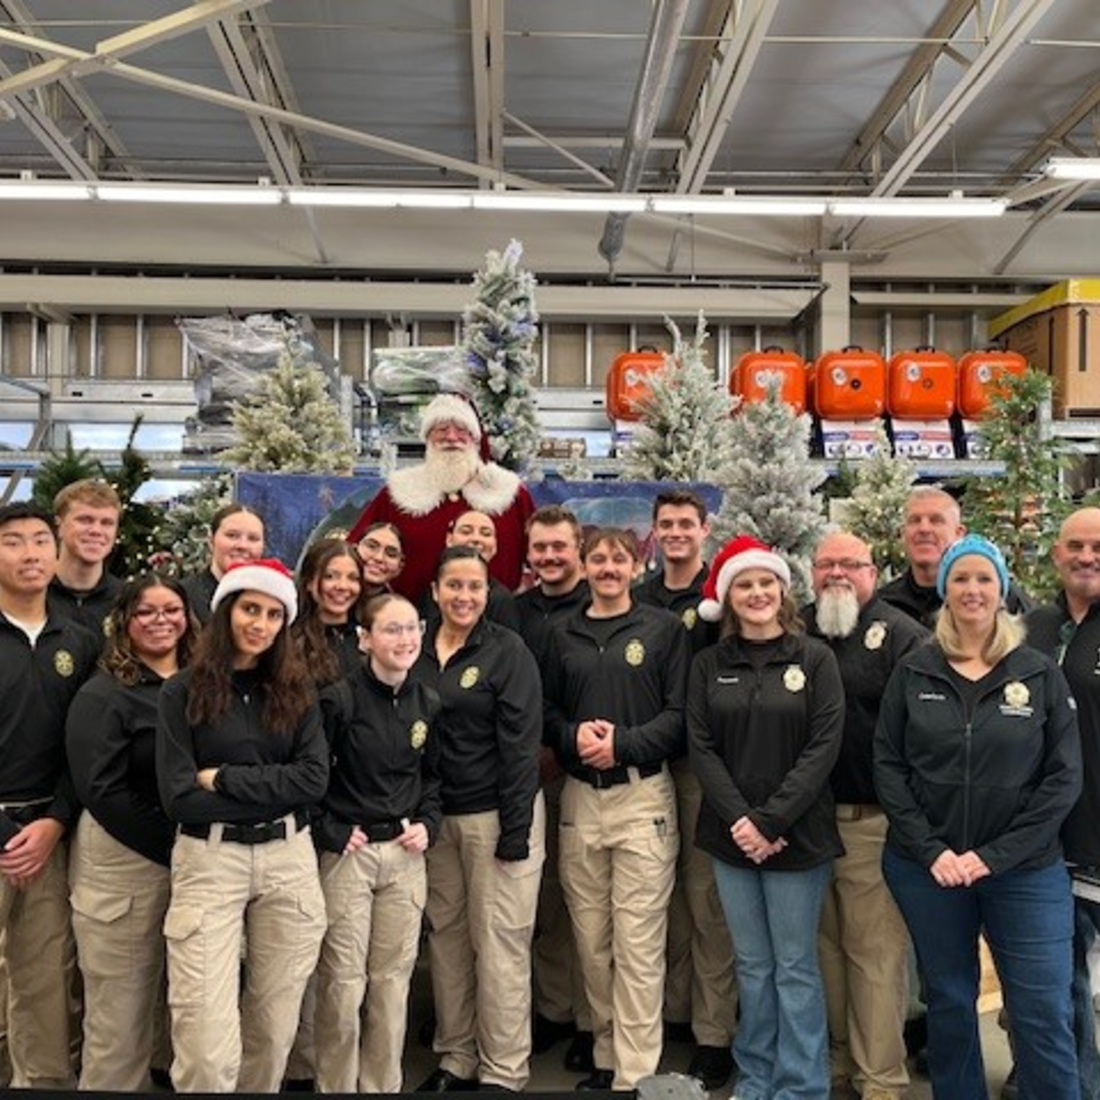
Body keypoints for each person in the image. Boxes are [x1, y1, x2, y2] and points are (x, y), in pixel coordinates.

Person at [875, 534, 1081, 1099]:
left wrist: (993, 857)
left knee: (1041, 1006)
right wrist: (934, 851)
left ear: (1001, 588)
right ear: (945, 590)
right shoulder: (915, 671)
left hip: (1026, 872)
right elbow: (888, 766)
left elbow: (1063, 778)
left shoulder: (1036, 672)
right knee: (947, 1000)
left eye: (983, 578)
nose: (972, 589)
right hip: (929, 871)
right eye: (960, 579)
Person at [156, 558, 329, 1092]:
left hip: (288, 863)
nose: (260, 623)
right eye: (250, 609)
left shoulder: (298, 693)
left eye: (274, 614)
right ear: (227, 610)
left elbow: (313, 781)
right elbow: (180, 798)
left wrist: (224, 778)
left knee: (274, 1032)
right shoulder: (182, 692)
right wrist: (268, 792)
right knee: (206, 1043)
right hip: (211, 862)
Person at [688, 535, 844, 1100]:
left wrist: (771, 822)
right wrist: (743, 822)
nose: (756, 593)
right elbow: (701, 746)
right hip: (732, 840)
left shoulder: (815, 659)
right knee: (752, 965)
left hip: (797, 838)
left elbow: (823, 747)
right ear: (729, 599)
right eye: (744, 585)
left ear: (783, 591)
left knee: (795, 966)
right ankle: (756, 1075)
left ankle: (802, 1084)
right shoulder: (710, 664)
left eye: (765, 582)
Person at [543, 527, 687, 1091]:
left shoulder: (663, 630)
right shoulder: (561, 633)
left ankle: (635, 1071)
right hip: (582, 799)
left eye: (618, 559)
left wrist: (622, 745)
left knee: (639, 941)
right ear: (584, 565)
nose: (607, 567)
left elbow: (678, 716)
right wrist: (573, 736)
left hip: (642, 798)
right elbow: (548, 711)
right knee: (591, 938)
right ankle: (606, 1054)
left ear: (636, 565)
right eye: (597, 558)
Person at [414, 546, 544, 1092]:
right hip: (438, 821)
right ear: (436, 591)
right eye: (454, 586)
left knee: (499, 944)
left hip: (498, 816)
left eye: (475, 586)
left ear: (488, 593)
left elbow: (521, 747)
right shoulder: (416, 648)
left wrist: (515, 832)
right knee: (447, 939)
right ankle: (456, 1056)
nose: (464, 596)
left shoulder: (506, 652)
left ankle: (503, 1069)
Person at [804, 530, 928, 1100]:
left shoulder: (902, 636)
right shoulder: (797, 627)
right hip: (805, 825)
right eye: (825, 563)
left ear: (872, 572)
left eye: (848, 564)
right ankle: (838, 1064)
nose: (836, 573)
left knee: (874, 956)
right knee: (824, 951)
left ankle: (880, 1080)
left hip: (871, 823)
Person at [65, 573, 197, 1090]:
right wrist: (178, 847)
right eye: (146, 612)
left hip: (186, 856)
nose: (161, 621)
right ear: (123, 621)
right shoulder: (105, 693)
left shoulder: (197, 684)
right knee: (119, 1018)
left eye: (171, 610)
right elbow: (102, 791)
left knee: (175, 1011)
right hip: (124, 858)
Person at [312, 593, 442, 1093]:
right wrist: (331, 828)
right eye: (390, 629)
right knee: (344, 984)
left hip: (404, 857)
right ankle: (336, 1086)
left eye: (411, 628)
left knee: (392, 983)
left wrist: (429, 822)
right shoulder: (338, 701)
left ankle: (382, 1085)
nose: (404, 639)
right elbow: (312, 776)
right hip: (351, 856)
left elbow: (433, 778)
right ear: (364, 638)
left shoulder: (426, 701)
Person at [636, 488, 734, 1091]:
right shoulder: (640, 597)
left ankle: (714, 1033)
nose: (675, 533)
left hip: (700, 771)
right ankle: (671, 1014)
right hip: (647, 769)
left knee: (705, 905)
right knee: (657, 904)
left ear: (705, 529)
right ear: (654, 532)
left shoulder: (717, 601)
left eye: (685, 524)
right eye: (665, 524)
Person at [0, 502, 100, 1089]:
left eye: (41, 540)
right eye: (14, 542)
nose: (31, 553)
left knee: (44, 974)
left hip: (48, 832)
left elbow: (84, 748)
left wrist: (57, 820)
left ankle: (40, 1081)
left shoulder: (80, 641)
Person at [515, 506, 594, 1073]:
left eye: (558, 548)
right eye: (539, 548)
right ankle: (551, 1007)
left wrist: (562, 747)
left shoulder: (599, 607)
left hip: (581, 766)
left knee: (583, 904)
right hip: (524, 771)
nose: (548, 557)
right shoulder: (515, 611)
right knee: (540, 897)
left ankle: (591, 1020)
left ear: (578, 550)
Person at [1025, 507, 1100, 1100]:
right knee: (1063, 981)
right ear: (1057, 555)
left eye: (1097, 545)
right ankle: (1073, 1085)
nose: (1086, 555)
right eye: (1074, 544)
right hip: (1054, 840)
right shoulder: (1035, 627)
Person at [347, 393, 535, 603]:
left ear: (475, 438)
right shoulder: (399, 492)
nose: (452, 437)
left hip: (496, 619)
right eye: (442, 429)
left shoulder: (509, 492)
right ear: (427, 438)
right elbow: (353, 550)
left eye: (461, 430)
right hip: (410, 623)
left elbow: (539, 551)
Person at [879, 486, 1030, 628]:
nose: (924, 529)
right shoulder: (886, 604)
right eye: (915, 520)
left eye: (936, 520)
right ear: (902, 534)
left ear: (959, 534)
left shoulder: (1002, 599)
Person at [421, 510, 521, 632]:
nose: (476, 538)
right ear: (449, 540)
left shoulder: (501, 600)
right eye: (466, 531)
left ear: (494, 546)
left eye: (486, 533)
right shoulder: (430, 590)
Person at [49, 478, 123, 638]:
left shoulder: (126, 600)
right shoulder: (31, 595)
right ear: (58, 526)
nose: (96, 530)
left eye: (107, 523)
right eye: (85, 520)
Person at [294, 538, 367, 686]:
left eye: (353, 578)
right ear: (309, 582)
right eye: (330, 576)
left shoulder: (371, 637)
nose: (342, 586)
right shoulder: (290, 643)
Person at [181, 502, 265, 624]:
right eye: (232, 536)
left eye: (253, 538)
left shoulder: (270, 598)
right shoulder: (184, 597)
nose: (243, 545)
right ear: (211, 541)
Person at [355, 521, 406, 598]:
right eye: (371, 546)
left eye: (391, 554)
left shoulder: (395, 608)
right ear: (354, 549)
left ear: (400, 567)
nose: (379, 558)